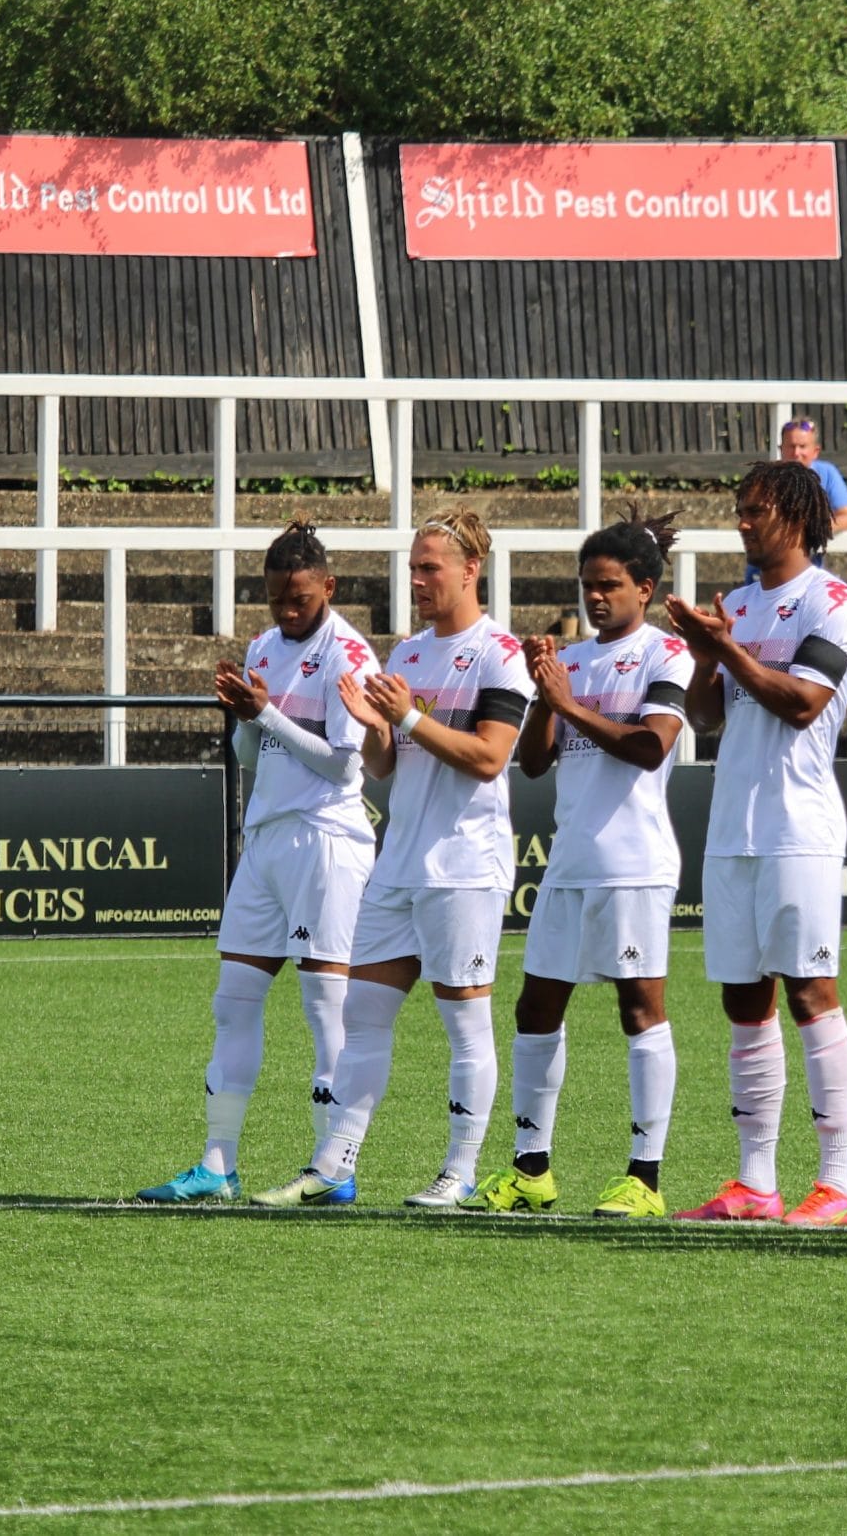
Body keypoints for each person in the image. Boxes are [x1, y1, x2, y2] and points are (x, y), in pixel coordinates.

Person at [255, 510, 533, 1209]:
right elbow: (384, 767)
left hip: (464, 866)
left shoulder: (500, 652)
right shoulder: (407, 654)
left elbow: (490, 757)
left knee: (464, 1023)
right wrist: (376, 727)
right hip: (400, 863)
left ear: (470, 570)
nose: (416, 580)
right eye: (413, 567)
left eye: (430, 567)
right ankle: (334, 1164)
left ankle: (459, 1171)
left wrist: (408, 717)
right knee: (362, 1016)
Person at [460, 512, 696, 1219]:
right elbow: (534, 763)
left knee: (639, 1007)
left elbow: (651, 746)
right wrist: (544, 696)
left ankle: (645, 1178)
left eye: (609, 585)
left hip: (634, 863)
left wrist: (568, 702)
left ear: (644, 588)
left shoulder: (666, 653)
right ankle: (531, 1169)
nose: (595, 596)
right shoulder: (576, 660)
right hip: (570, 862)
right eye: (588, 585)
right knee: (536, 1007)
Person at [139, 520, 380, 1203]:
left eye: (299, 598)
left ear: (329, 586)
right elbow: (252, 755)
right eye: (276, 599)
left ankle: (333, 1169)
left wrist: (266, 713)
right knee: (233, 1000)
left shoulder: (350, 656)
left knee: (325, 1005)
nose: (286, 611)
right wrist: (244, 716)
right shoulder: (263, 648)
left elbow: (343, 766)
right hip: (267, 839)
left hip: (325, 840)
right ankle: (217, 1165)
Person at [664, 460, 847, 1228]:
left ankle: (836, 1185)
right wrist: (707, 656)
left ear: (797, 516)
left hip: (798, 827)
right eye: (740, 510)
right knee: (744, 999)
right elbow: (704, 716)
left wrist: (729, 650)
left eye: (756, 510)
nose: (743, 523)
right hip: (733, 826)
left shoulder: (832, 602)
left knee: (811, 992)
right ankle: (756, 1183)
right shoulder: (741, 603)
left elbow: (802, 702)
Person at [781, 418, 847, 562]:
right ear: (781, 449)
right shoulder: (767, 478)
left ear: (815, 451)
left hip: (812, 564)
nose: (796, 453)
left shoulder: (827, 473)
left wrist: (811, 530)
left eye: (802, 446)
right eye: (791, 446)